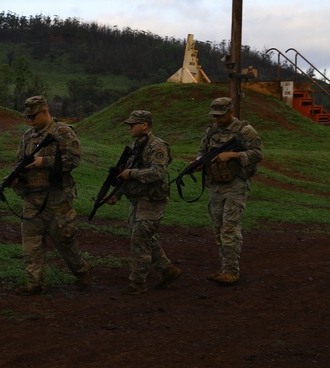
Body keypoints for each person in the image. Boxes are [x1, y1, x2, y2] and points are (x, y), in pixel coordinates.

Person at [12, 95, 91, 295]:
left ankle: (82, 271)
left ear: (45, 111)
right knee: (31, 242)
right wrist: (15, 177)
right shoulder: (28, 136)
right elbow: (20, 161)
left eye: (33, 115)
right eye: (27, 116)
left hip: (57, 198)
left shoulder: (63, 132)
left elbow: (73, 160)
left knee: (63, 239)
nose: (29, 120)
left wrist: (43, 162)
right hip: (32, 197)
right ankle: (34, 283)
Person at [106, 110, 181, 294]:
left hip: (152, 200)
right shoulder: (137, 145)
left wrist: (131, 174)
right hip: (137, 200)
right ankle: (167, 269)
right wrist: (117, 194)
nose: (130, 127)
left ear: (145, 125)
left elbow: (158, 173)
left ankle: (137, 282)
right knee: (141, 237)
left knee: (139, 238)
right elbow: (127, 174)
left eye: (133, 124)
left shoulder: (157, 146)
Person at [196, 96, 263, 286]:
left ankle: (232, 272)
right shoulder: (211, 131)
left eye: (220, 115)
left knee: (229, 228)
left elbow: (258, 154)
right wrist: (200, 162)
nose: (217, 119)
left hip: (236, 184)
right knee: (218, 227)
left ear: (231, 112)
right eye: (214, 115)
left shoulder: (245, 131)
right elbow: (202, 151)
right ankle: (225, 268)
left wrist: (232, 155)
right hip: (216, 184)